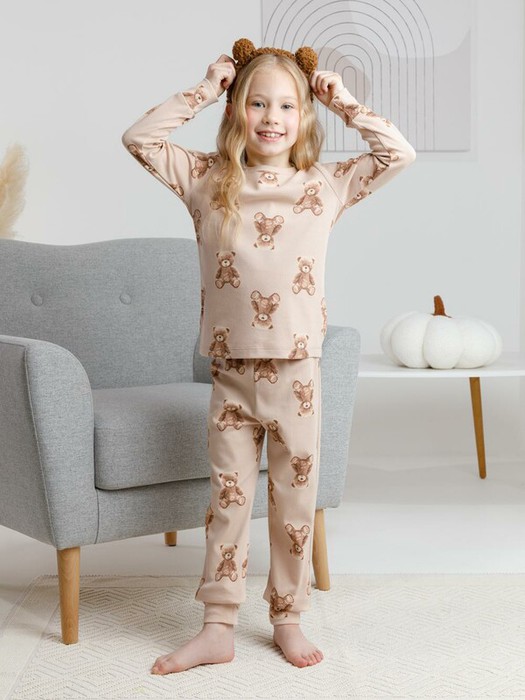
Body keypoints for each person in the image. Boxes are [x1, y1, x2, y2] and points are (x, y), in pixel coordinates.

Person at [121, 37, 416, 675]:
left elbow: (398, 153)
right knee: (227, 502)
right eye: (257, 103)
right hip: (230, 374)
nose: (272, 118)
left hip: (298, 377)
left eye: (287, 105)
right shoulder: (206, 179)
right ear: (236, 110)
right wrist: (206, 87)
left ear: (304, 115)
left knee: (293, 502)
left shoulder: (325, 184)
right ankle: (217, 626)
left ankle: (287, 617)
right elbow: (139, 139)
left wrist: (344, 102)